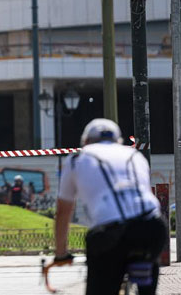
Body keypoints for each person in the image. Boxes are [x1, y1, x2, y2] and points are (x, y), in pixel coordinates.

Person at [53, 119, 167, 295]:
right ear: (118, 141)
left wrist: (61, 253)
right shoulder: (135, 156)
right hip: (153, 228)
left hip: (110, 234)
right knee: (147, 283)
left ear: (85, 142)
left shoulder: (77, 159)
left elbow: (63, 211)